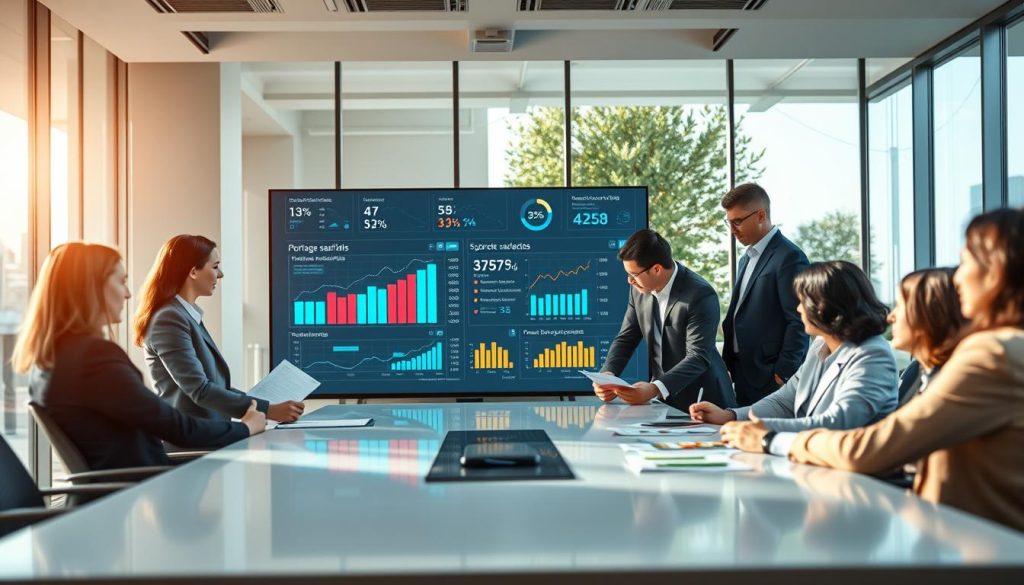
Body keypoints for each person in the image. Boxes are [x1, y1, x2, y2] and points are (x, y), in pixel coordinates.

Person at [781, 209, 1024, 532]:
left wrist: (776, 440)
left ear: (995, 272)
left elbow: (875, 448)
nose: (958, 278)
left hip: (980, 550)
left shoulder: (994, 352)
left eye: (966, 263)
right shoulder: (1004, 348)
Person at [11, 243, 264, 471]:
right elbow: (176, 427)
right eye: (121, 281)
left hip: (120, 493)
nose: (128, 293)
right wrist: (246, 427)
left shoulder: (49, 359)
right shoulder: (94, 357)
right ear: (92, 287)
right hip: (136, 494)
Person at [693, 261, 898, 456]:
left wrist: (762, 430)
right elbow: (785, 401)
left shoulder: (872, 355)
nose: (798, 309)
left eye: (802, 302)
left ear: (825, 306)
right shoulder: (820, 344)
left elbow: (839, 422)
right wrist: (730, 416)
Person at [133, 235, 303, 424]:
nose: (220, 274)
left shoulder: (186, 316)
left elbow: (218, 387)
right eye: (215, 267)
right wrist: (268, 410)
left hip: (209, 435)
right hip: (192, 444)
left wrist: (270, 406)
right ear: (193, 272)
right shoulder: (169, 319)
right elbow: (200, 390)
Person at [594, 229, 735, 411]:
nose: (630, 281)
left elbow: (698, 356)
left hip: (704, 401)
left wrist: (654, 389)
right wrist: (608, 375)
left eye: (634, 274)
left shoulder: (700, 295)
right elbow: (626, 337)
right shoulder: (638, 290)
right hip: (665, 403)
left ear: (657, 269)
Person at [720, 183, 809, 406]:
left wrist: (783, 372)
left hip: (771, 376)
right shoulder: (746, 259)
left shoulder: (789, 257)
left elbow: (798, 319)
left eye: (737, 221)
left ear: (761, 215)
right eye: (728, 223)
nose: (732, 230)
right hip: (742, 372)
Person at [889, 268, 965, 405]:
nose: (890, 317)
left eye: (899, 306)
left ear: (927, 315)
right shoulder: (916, 371)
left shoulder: (953, 381)